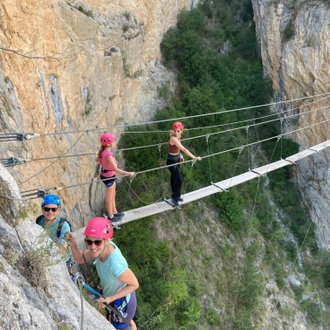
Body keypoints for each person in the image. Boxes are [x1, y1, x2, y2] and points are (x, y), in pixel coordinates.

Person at [68, 217, 139, 330]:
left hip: (122, 302)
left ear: (107, 240)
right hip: (112, 297)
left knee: (120, 326)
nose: (92, 246)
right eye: (89, 241)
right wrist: (73, 244)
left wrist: (110, 299)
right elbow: (80, 258)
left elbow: (134, 284)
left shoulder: (115, 264)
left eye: (97, 242)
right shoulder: (99, 250)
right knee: (124, 322)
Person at [95, 132, 135, 222]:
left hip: (108, 175)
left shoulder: (104, 152)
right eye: (113, 141)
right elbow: (116, 169)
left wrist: (97, 154)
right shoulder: (108, 155)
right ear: (108, 143)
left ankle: (115, 212)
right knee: (109, 198)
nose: (115, 142)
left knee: (113, 195)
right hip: (109, 177)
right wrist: (129, 173)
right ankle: (111, 216)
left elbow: (97, 159)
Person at [166, 122, 202, 206]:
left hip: (177, 160)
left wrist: (180, 157)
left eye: (178, 131)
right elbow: (184, 149)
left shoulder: (178, 137)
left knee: (174, 178)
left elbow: (178, 150)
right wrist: (194, 157)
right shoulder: (173, 139)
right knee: (179, 180)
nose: (176, 132)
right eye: (175, 131)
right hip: (171, 162)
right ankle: (174, 196)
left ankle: (176, 195)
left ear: (181, 130)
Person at [36, 194, 73, 275]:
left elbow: (62, 249)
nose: (50, 212)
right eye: (47, 209)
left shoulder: (63, 226)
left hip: (61, 261)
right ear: (42, 209)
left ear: (58, 209)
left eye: (54, 209)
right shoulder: (39, 220)